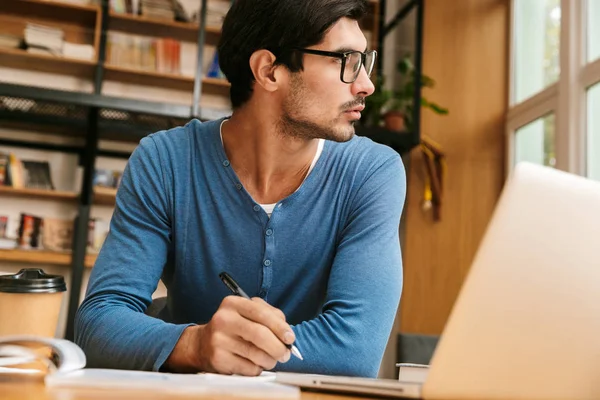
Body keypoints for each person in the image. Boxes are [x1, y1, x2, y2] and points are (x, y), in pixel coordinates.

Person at [75, 0, 406, 378]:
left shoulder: (371, 172)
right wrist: (197, 345)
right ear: (269, 71)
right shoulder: (165, 161)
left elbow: (355, 351)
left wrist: (234, 349)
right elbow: (98, 324)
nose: (366, 84)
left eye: (366, 60)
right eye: (344, 60)